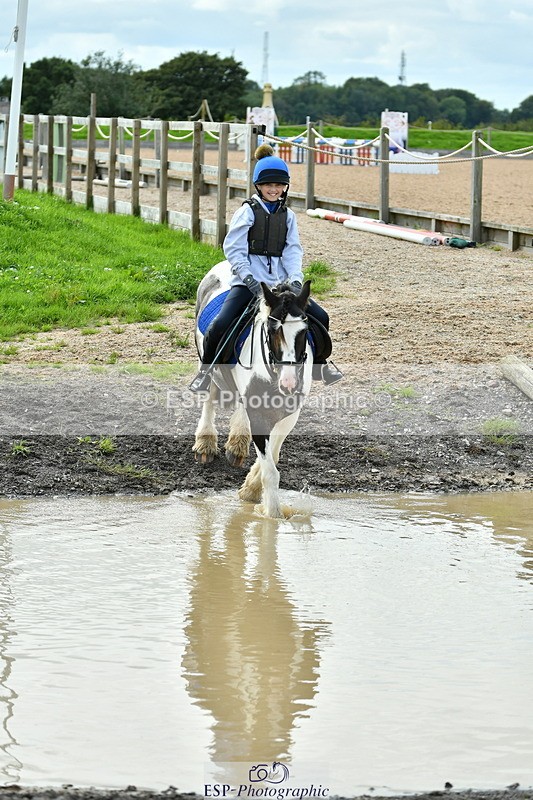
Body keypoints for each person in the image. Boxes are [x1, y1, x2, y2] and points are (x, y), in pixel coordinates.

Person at [189, 144, 343, 393]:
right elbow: (234, 247)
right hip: (249, 282)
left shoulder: (289, 216)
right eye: (268, 185)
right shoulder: (247, 212)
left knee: (321, 317)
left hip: (280, 287)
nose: (274, 189)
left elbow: (293, 250)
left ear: (285, 186)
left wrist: (295, 279)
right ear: (258, 186)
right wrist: (247, 276)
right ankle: (206, 372)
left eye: (278, 185)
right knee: (221, 324)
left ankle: (321, 366)